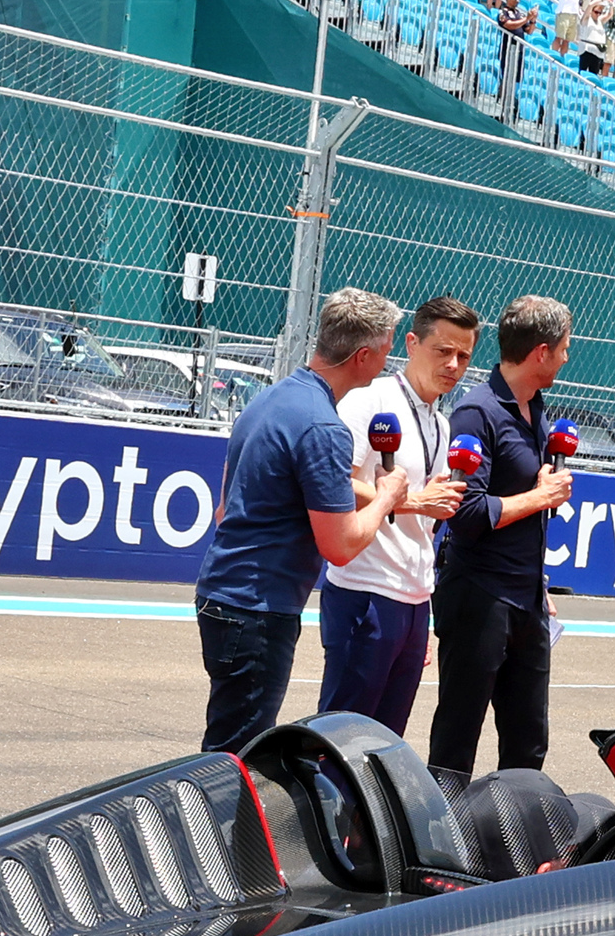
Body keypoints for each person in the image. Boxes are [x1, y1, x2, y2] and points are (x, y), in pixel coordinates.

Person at [192, 287, 419, 753]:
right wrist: (386, 496)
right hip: (258, 608)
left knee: (229, 744)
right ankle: (208, 826)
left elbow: (223, 509)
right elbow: (341, 545)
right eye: (386, 347)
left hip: (225, 595)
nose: (390, 357)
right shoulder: (322, 426)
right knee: (235, 759)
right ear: (362, 356)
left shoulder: (269, 400)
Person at [430, 294, 577, 783]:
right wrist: (540, 497)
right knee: (458, 732)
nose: (565, 357)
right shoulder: (478, 412)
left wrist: (538, 582)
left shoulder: (535, 406)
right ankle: (441, 843)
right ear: (541, 352)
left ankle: (515, 839)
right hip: (479, 595)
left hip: (526, 596)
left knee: (529, 738)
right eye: (562, 349)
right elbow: (466, 512)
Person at [316, 296, 477, 735]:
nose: (453, 364)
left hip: (411, 599)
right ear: (411, 343)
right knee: (342, 734)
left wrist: (419, 606)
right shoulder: (372, 400)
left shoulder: (441, 424)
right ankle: (325, 806)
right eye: (443, 351)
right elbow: (336, 484)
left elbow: (425, 524)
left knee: (386, 741)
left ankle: (367, 808)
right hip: (364, 591)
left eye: (464, 355)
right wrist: (412, 501)